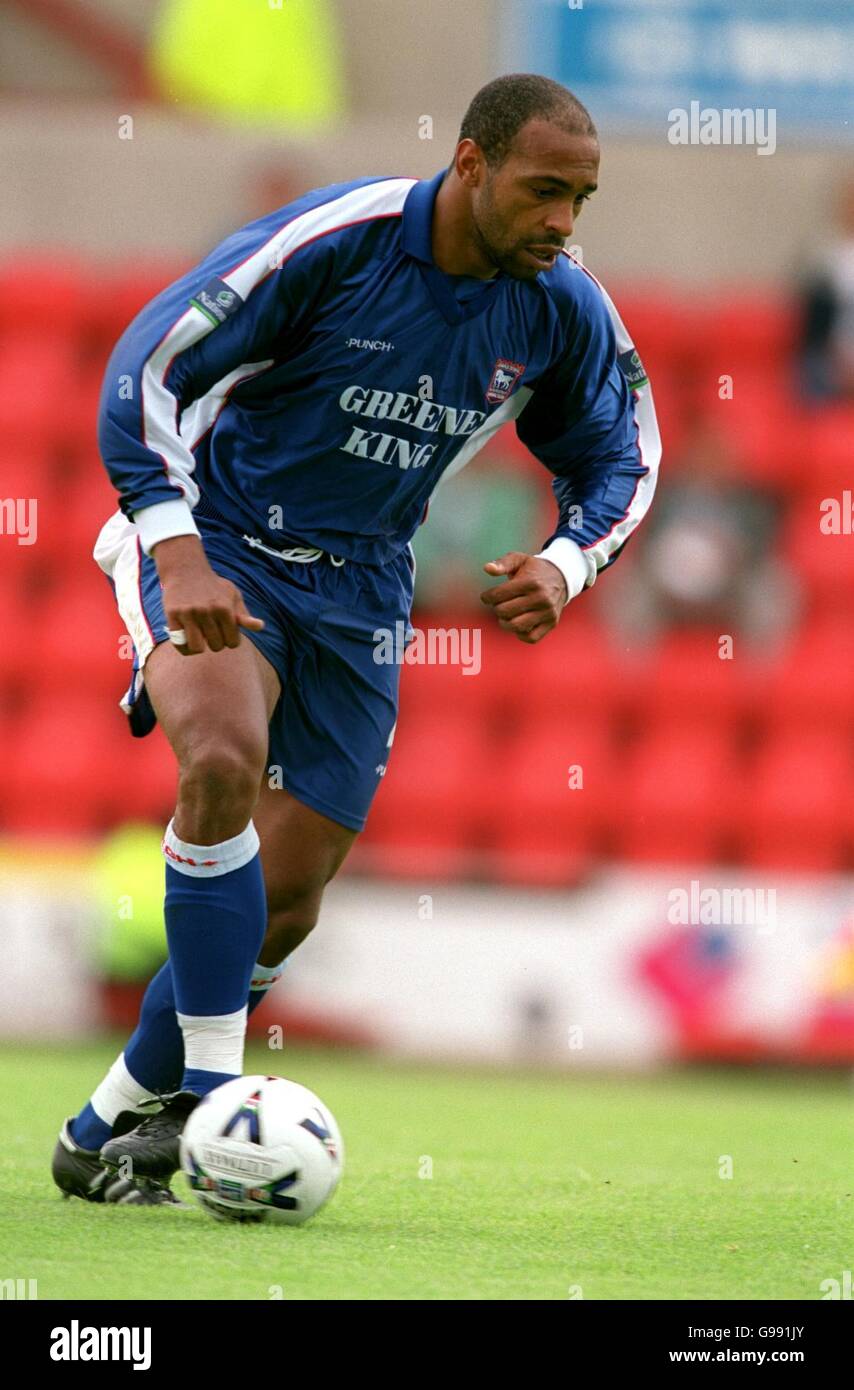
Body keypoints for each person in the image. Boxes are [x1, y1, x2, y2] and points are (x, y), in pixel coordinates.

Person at [52, 72, 661, 1203]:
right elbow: (146, 364)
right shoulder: (334, 243)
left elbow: (624, 450)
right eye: (542, 191)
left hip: (363, 590)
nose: (562, 221)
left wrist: (565, 559)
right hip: (221, 542)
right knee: (223, 759)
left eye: (581, 198)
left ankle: (105, 1122)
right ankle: (210, 1102)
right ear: (472, 165)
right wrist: (174, 546)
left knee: (283, 901)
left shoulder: (558, 305)